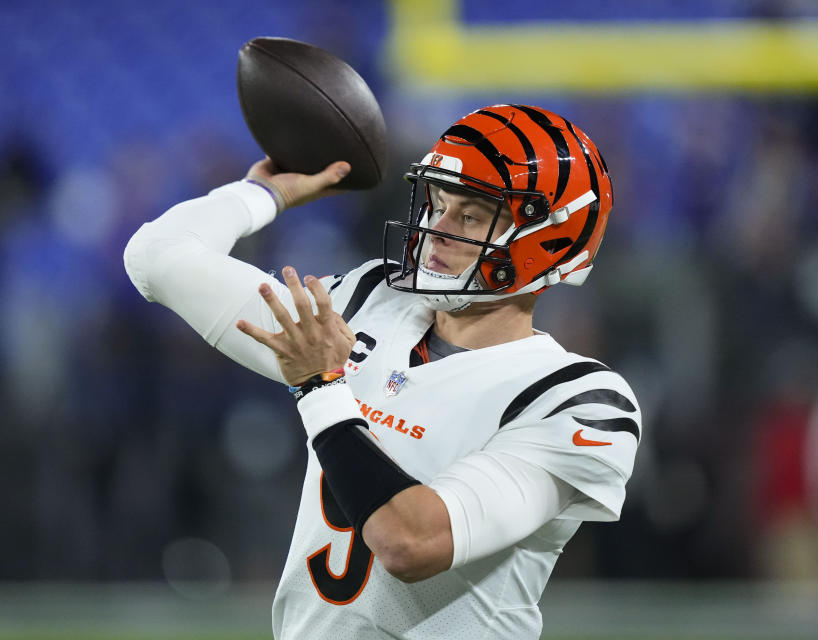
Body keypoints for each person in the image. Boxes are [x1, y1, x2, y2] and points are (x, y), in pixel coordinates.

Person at [124, 104, 640, 639]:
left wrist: (323, 387)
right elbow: (156, 257)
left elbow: (410, 542)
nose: (436, 230)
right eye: (438, 202)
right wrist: (260, 195)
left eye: (471, 215)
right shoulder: (373, 302)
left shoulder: (579, 401)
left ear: (547, 241)